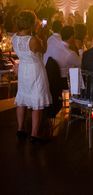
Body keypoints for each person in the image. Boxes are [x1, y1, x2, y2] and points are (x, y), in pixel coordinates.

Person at [11, 10, 52, 142]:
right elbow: (43, 50)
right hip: (35, 70)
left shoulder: (14, 38)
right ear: (31, 23)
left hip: (23, 69)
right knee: (37, 100)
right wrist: (44, 37)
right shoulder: (33, 40)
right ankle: (34, 134)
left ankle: (20, 129)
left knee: (22, 98)